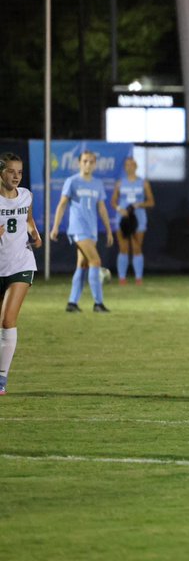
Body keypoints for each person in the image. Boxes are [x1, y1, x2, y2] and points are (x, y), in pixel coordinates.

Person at [49, 150, 113, 313]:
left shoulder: (97, 183)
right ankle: (98, 303)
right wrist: (55, 226)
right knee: (96, 262)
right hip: (78, 228)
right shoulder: (72, 181)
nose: (88, 164)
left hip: (92, 230)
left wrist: (109, 230)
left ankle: (72, 303)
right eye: (85, 161)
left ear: (95, 164)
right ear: (79, 163)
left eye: (91, 161)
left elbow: (102, 207)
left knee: (83, 266)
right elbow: (62, 204)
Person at [0, 153, 42, 396]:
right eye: (11, 171)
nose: (16, 176)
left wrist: (35, 234)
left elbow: (28, 219)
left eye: (20, 172)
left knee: (8, 320)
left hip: (21, 264)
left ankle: (2, 379)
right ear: (1, 173)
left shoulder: (26, 195)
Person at [110, 156, 155, 286]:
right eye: (127, 165)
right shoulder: (120, 183)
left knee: (136, 247)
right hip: (123, 219)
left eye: (132, 164)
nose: (129, 167)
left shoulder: (143, 182)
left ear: (136, 166)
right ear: (125, 167)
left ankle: (138, 278)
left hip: (138, 218)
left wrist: (138, 205)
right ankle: (122, 278)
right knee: (123, 248)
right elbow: (113, 201)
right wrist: (119, 208)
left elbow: (151, 202)